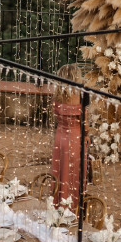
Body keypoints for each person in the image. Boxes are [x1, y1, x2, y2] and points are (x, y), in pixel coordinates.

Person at [50, 64, 87, 210]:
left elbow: (56, 116)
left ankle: (58, 203)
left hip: (60, 137)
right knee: (74, 173)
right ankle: (73, 206)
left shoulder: (57, 94)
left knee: (60, 171)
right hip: (75, 138)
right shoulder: (81, 95)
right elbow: (84, 122)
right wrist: (87, 135)